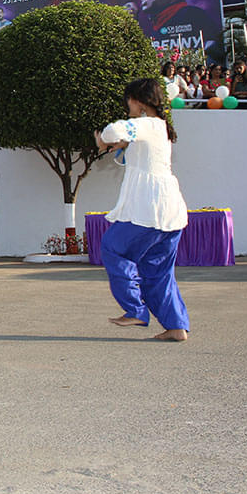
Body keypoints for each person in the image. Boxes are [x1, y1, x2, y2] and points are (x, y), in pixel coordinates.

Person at [93, 77, 190, 342]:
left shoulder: (147, 124)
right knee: (158, 272)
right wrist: (122, 145)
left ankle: (135, 309)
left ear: (138, 101)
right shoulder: (159, 128)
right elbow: (136, 154)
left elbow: (112, 131)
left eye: (129, 101)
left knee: (113, 248)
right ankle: (176, 326)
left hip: (150, 208)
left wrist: (104, 140)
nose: (127, 106)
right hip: (169, 210)